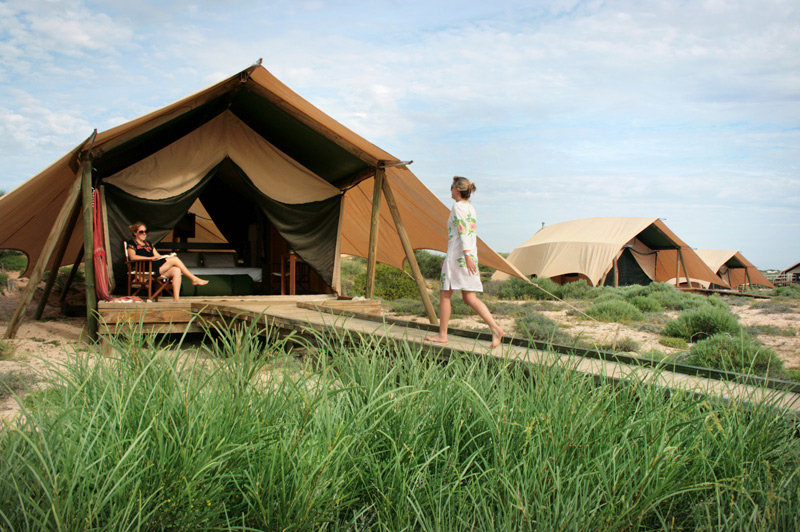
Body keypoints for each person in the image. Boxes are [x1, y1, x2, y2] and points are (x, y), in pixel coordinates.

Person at [426, 177, 505, 348]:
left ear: (457, 189)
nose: (450, 190)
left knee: (445, 294)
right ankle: (495, 328)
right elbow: (466, 234)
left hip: (461, 255)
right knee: (469, 297)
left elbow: (462, 231)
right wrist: (456, 257)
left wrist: (465, 255)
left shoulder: (458, 207)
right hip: (464, 254)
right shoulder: (470, 208)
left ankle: (442, 334)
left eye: (452, 187)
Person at [125, 221, 208, 301]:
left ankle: (176, 299)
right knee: (175, 260)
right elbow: (132, 257)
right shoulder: (132, 243)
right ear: (135, 233)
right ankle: (193, 278)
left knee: (176, 270)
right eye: (141, 232)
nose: (144, 234)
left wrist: (168, 256)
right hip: (144, 268)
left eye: (146, 231)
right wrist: (149, 258)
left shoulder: (148, 244)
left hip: (154, 266)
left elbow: (157, 256)